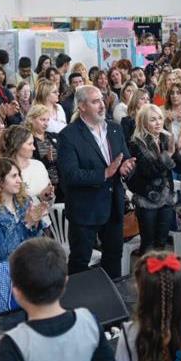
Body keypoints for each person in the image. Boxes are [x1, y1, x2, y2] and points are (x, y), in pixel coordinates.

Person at [58, 86, 135, 277]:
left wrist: (126, 168)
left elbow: (124, 159)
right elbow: (70, 175)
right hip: (85, 210)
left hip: (113, 207)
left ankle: (113, 299)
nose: (102, 105)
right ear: (82, 106)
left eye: (102, 100)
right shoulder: (68, 135)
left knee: (113, 257)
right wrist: (104, 174)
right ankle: (81, 303)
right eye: (95, 102)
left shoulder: (115, 129)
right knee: (80, 261)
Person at [0, 158, 46, 315]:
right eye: (14, 176)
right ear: (0, 181)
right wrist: (26, 224)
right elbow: (2, 251)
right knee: (5, 322)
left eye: (19, 175)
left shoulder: (24, 202)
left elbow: (33, 240)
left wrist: (35, 223)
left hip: (24, 269)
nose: (19, 180)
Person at [128, 105, 181, 254]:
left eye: (160, 118)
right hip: (147, 199)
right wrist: (168, 153)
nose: (158, 123)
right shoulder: (136, 143)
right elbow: (149, 171)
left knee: (161, 243)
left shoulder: (165, 138)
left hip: (167, 198)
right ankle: (147, 275)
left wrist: (180, 149)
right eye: (153, 119)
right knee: (148, 245)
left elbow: (179, 169)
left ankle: (160, 275)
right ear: (143, 122)